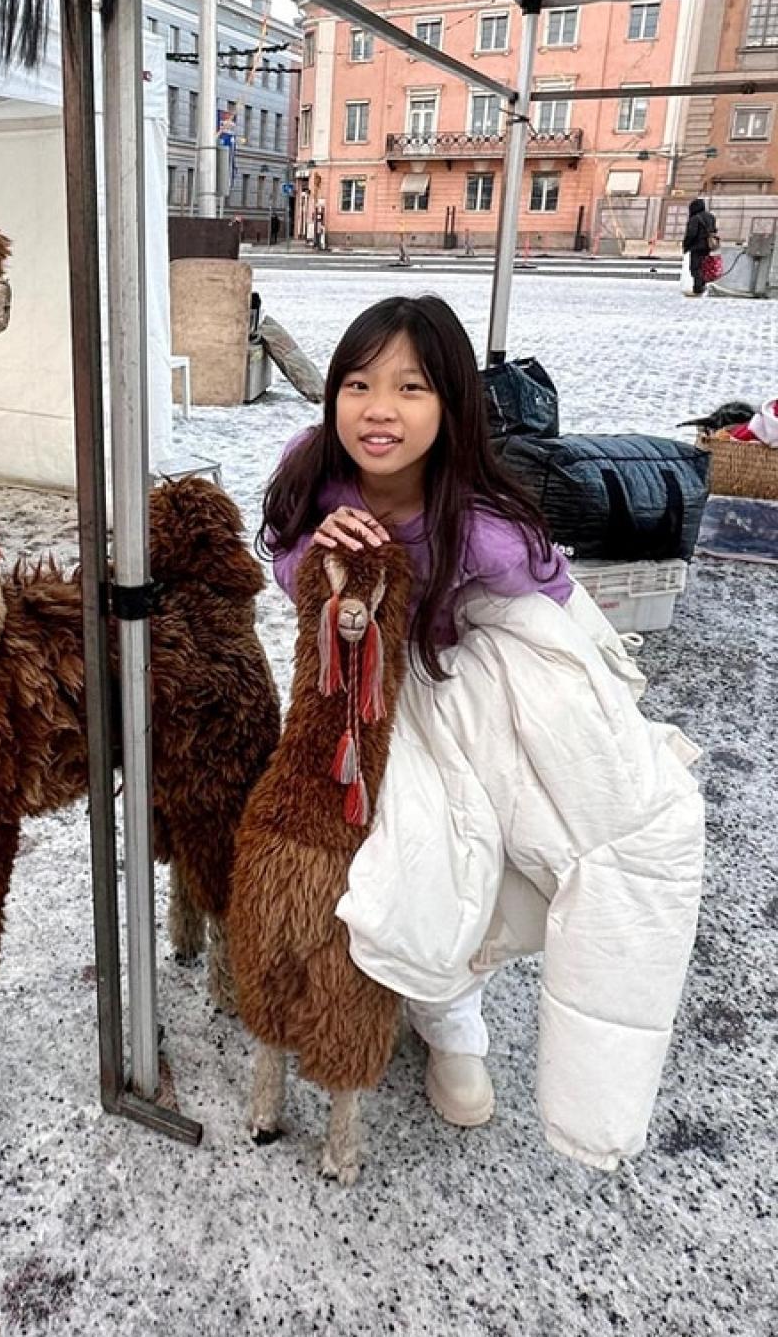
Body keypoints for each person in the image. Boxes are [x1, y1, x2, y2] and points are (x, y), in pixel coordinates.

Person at [259, 295, 703, 1166]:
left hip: (450, 684)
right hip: (351, 690)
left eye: (411, 387)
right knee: (348, 837)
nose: (379, 409)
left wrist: (594, 710)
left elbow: (558, 613)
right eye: (359, 384)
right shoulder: (313, 468)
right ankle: (375, 988)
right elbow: (281, 556)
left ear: (451, 404)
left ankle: (452, 1018)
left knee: (457, 843)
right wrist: (322, 558)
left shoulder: (483, 523)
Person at [681, 196, 719, 297]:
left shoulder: (695, 218)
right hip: (708, 246)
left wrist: (686, 245)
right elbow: (714, 230)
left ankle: (698, 289)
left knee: (695, 268)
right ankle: (702, 286)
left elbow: (691, 234)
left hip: (696, 246)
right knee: (704, 267)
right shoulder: (711, 217)